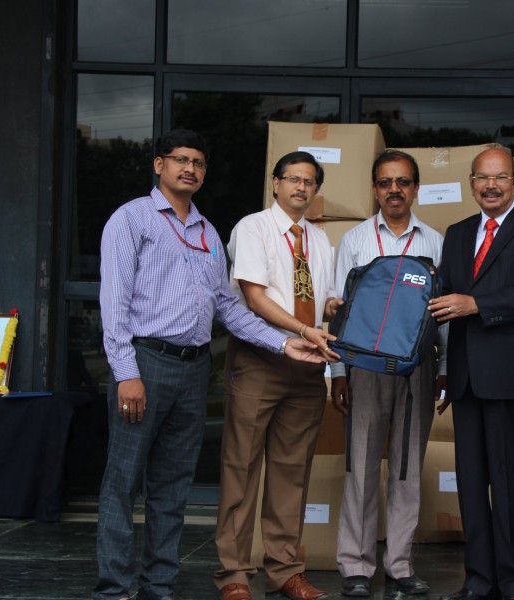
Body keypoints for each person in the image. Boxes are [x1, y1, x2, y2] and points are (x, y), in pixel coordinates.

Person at [95, 130, 327, 600]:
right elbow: (114, 303)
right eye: (180, 159)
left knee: (172, 485)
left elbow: (230, 309)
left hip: (193, 369)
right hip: (145, 362)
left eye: (198, 163)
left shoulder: (206, 232)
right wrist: (126, 373)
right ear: (159, 165)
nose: (190, 169)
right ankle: (115, 589)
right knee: (123, 482)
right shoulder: (131, 219)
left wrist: (284, 345)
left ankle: (158, 585)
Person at [428, 147, 514, 600]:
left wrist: (477, 304)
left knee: (512, 486)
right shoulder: (458, 233)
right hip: (466, 379)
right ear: (471, 183)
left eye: (500, 177)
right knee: (471, 486)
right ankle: (479, 582)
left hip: (511, 379)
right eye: (483, 178)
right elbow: (443, 297)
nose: (491, 186)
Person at [213, 151, 343, 600]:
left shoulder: (319, 239)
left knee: (292, 471)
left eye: (309, 181)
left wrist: (338, 306)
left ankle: (285, 570)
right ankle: (233, 574)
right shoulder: (253, 228)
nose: (301, 187)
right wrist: (304, 329)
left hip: (307, 368)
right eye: (293, 178)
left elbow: (323, 300)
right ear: (275, 183)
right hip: (259, 359)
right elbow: (254, 297)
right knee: (241, 467)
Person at [331, 150, 446, 598]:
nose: (394, 190)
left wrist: (444, 369)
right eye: (385, 182)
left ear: (415, 188)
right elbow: (337, 312)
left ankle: (399, 565)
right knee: (359, 467)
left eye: (402, 182)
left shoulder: (435, 242)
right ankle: (355, 565)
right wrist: (337, 371)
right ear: (374, 189)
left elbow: (443, 314)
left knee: (406, 470)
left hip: (417, 369)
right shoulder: (355, 240)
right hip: (363, 368)